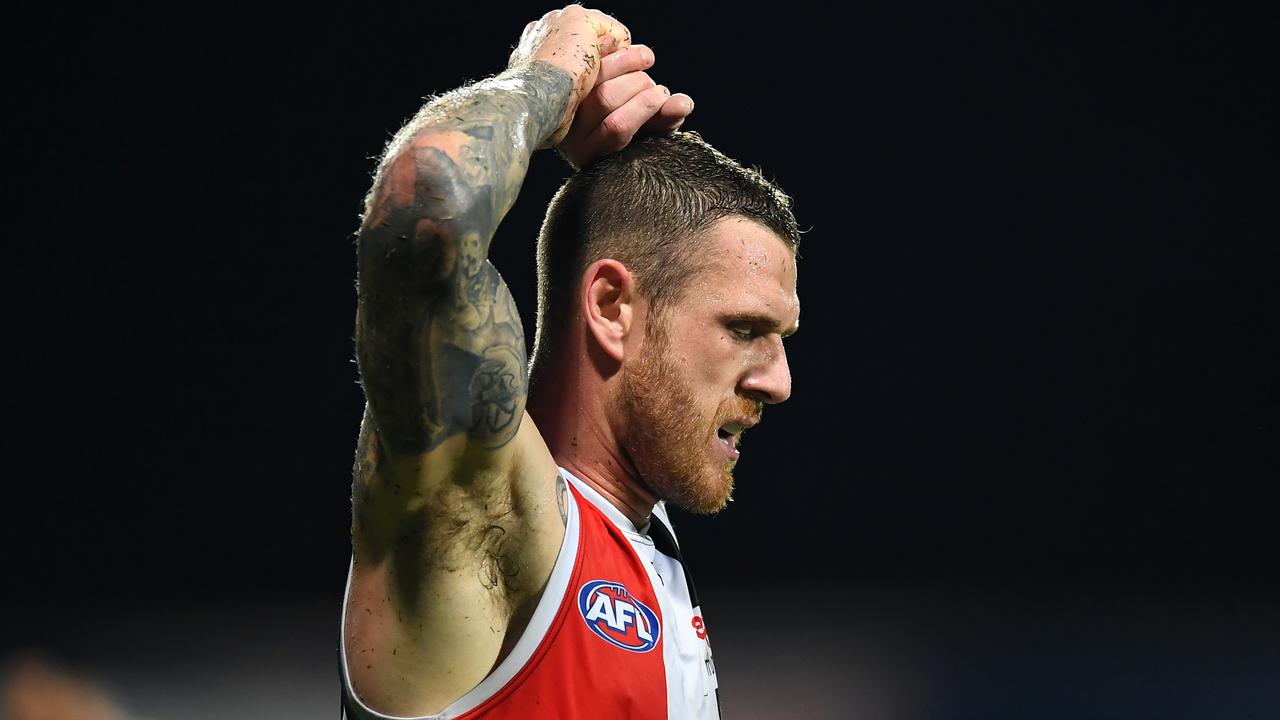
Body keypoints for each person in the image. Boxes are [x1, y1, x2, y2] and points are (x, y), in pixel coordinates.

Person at [341, 6, 801, 719]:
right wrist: (547, 80)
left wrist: (624, 185)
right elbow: (422, 211)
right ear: (613, 307)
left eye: (782, 338)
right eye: (744, 328)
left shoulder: (644, 549)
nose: (779, 381)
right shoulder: (484, 508)